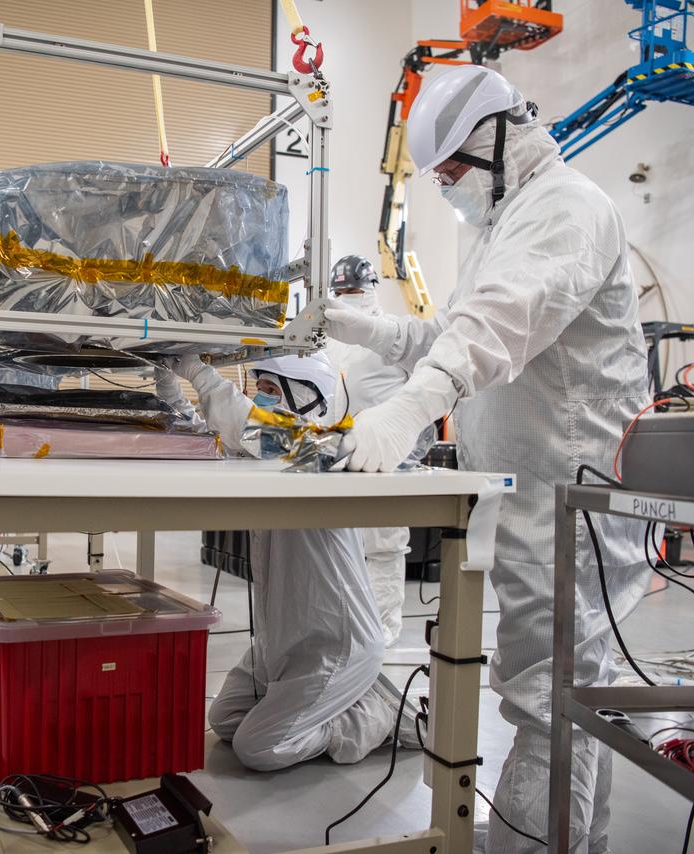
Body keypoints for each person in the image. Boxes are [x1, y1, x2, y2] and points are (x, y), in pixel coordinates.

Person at [323, 65, 649, 852]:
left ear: (500, 139)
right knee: (559, 692)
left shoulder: (567, 208)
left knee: (550, 698)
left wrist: (407, 412)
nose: (448, 190)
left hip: (573, 497)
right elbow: (447, 334)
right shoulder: (505, 223)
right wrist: (356, 327)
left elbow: (492, 329)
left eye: (453, 172)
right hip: (534, 496)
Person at [156, 353, 421, 772]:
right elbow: (200, 434)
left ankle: (381, 715)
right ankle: (345, 701)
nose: (261, 398)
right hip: (279, 643)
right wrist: (168, 384)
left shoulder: (322, 451)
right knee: (224, 720)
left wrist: (198, 372)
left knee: (258, 750)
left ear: (309, 399)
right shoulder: (262, 456)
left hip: (336, 646)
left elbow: (256, 429)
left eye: (272, 390)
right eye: (258, 388)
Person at [327, 254, 414, 647]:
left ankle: (383, 629)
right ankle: (348, 626)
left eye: (356, 291)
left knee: (383, 544)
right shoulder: (329, 337)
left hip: (383, 456)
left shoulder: (391, 333)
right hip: (336, 454)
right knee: (340, 543)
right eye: (341, 291)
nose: (348, 298)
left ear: (373, 289)